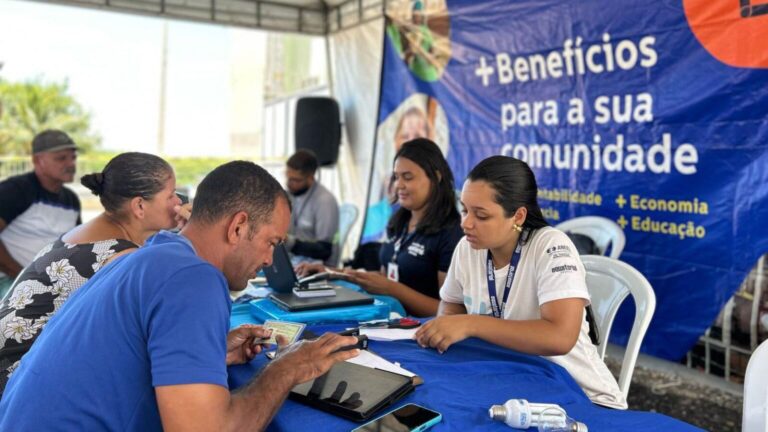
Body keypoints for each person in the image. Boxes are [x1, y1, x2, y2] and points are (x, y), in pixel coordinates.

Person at [0, 161, 359, 430]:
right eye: (271, 242)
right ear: (237, 227)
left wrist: (210, 354)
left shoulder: (155, 254)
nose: (269, 260)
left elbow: (128, 354)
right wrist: (287, 368)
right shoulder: (194, 278)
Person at [414, 156, 627, 409]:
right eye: (464, 210)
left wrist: (472, 324)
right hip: (510, 383)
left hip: (580, 395)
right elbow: (450, 309)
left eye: (481, 215)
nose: (466, 223)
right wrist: (450, 328)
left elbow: (560, 337)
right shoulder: (467, 248)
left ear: (518, 216)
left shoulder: (551, 247)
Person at [0, 152, 188, 392]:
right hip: (17, 382)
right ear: (139, 206)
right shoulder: (120, 258)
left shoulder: (89, 233)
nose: (178, 203)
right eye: (170, 195)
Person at [300, 139, 462, 317]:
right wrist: (332, 272)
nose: (399, 185)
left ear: (436, 177)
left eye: (407, 177)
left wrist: (393, 290)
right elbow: (387, 276)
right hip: (389, 319)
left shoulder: (451, 233)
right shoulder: (399, 222)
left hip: (422, 330)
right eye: (396, 177)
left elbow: (449, 313)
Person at [0, 130, 81, 298]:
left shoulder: (71, 200)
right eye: (61, 158)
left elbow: (77, 247)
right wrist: (23, 278)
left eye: (73, 157)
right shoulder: (16, 190)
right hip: (9, 283)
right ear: (37, 160)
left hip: (50, 287)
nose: (71, 164)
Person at [284, 149, 340, 266]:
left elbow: (324, 250)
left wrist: (290, 243)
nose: (289, 184)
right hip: (295, 262)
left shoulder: (325, 201)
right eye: (288, 178)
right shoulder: (291, 194)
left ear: (311, 178)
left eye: (296, 180)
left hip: (318, 267)